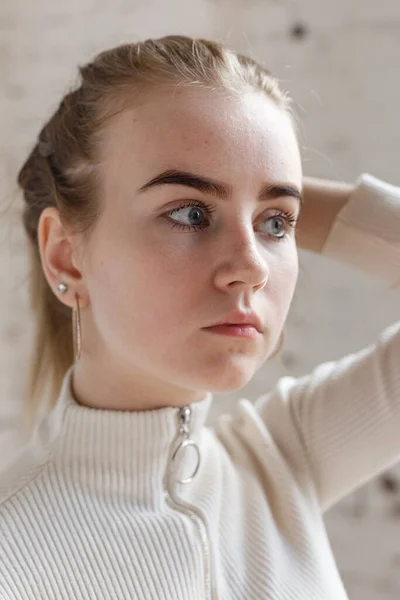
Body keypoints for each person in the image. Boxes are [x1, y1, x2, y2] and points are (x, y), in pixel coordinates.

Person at [0, 34, 399, 600]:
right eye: (189, 213)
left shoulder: (282, 460)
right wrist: (258, 195)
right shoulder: (12, 555)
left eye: (277, 225)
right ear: (67, 254)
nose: (251, 268)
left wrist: (259, 185)